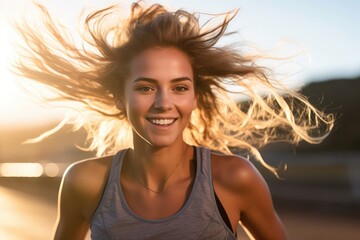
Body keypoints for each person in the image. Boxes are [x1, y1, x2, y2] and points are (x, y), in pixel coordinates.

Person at [15, 1, 333, 239]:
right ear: (119, 97)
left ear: (193, 97)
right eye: (145, 87)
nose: (164, 103)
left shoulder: (235, 178)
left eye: (179, 87)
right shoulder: (84, 182)